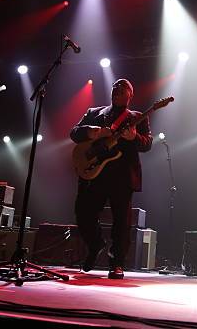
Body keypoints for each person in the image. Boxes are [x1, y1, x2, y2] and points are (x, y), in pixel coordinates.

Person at [70, 79, 153, 279]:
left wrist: (134, 138)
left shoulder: (137, 117)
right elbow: (74, 132)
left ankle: (116, 263)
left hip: (122, 175)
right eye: (115, 86)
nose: (117, 88)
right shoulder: (94, 113)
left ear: (130, 95)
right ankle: (95, 243)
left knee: (121, 222)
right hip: (94, 172)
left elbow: (148, 143)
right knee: (83, 213)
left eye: (123, 87)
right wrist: (93, 131)